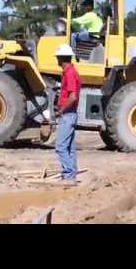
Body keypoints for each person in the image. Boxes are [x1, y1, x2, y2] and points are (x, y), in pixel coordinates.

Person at [54, 44, 82, 185]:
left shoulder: (70, 73)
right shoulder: (70, 72)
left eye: (57, 58)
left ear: (61, 58)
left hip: (68, 114)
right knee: (69, 147)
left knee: (60, 146)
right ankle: (71, 175)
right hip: (70, 114)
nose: (56, 61)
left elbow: (72, 97)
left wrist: (61, 110)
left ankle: (69, 175)